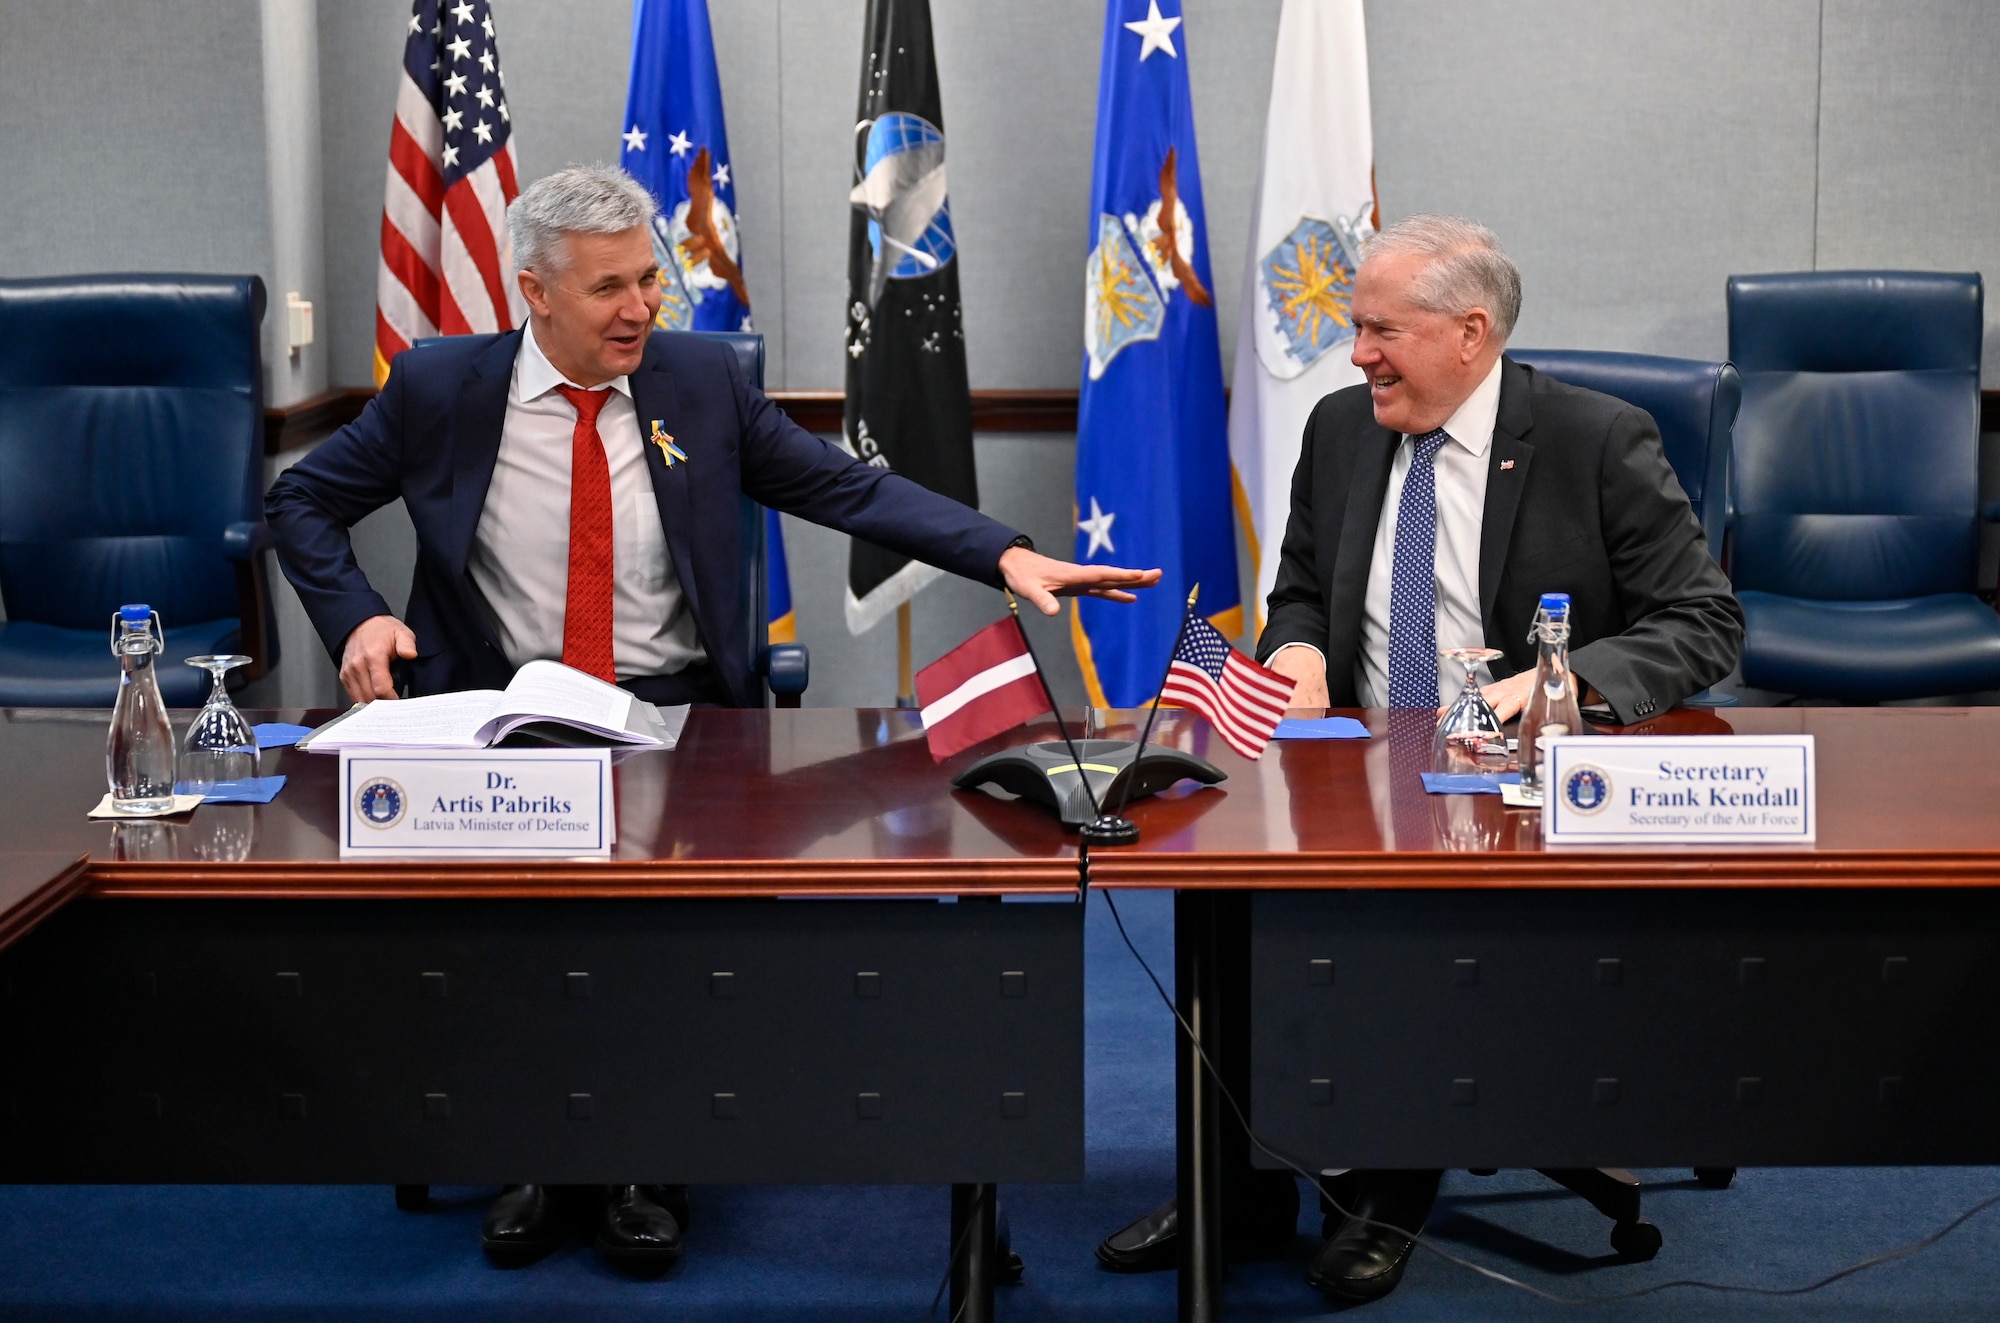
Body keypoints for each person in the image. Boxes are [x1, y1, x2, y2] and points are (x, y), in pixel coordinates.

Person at [266, 164, 1159, 1277]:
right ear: (533, 292)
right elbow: (299, 498)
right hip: (501, 715)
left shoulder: (695, 380)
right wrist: (354, 618)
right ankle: (538, 1156)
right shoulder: (442, 388)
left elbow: (843, 487)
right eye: (606, 289)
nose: (640, 307)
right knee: (510, 935)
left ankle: (646, 1161)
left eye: (649, 278)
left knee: (659, 936)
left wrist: (1006, 551)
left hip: (672, 714)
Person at [1094, 214, 1742, 1304]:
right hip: (1346, 759)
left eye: (1378, 330)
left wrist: (1557, 680)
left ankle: (1386, 1185)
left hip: (1510, 784)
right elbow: (1296, 583)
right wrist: (1295, 644)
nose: (1355, 355)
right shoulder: (1344, 429)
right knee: (1220, 909)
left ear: (1469, 333)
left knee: (1397, 924)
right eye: (1355, 330)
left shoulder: (1596, 439)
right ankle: (1239, 1186)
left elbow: (1703, 621)